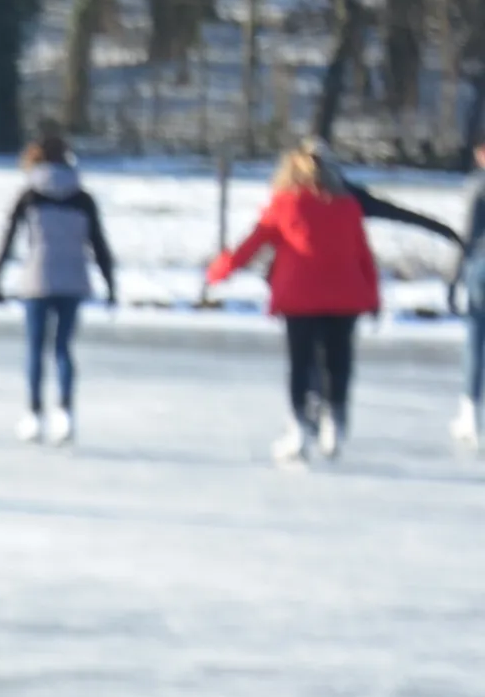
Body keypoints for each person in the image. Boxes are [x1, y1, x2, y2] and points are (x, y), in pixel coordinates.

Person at [205, 142, 463, 466]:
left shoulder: (284, 204)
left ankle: (300, 427)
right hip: (345, 297)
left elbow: (251, 244)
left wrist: (218, 271)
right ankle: (334, 422)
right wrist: (372, 296)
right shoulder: (348, 205)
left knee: (302, 363)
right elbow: (362, 255)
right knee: (338, 361)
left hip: (299, 297)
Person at [0, 130, 117, 444]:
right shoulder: (82, 197)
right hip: (73, 280)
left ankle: (33, 413)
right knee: (62, 348)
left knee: (35, 348)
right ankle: (65, 412)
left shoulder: (29, 194)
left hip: (37, 279)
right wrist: (111, 284)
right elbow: (98, 243)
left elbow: (7, 240)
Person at [455, 139, 483, 451]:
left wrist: (454, 273)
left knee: (475, 338)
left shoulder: (478, 184)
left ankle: (470, 411)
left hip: (481, 264)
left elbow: (468, 231)